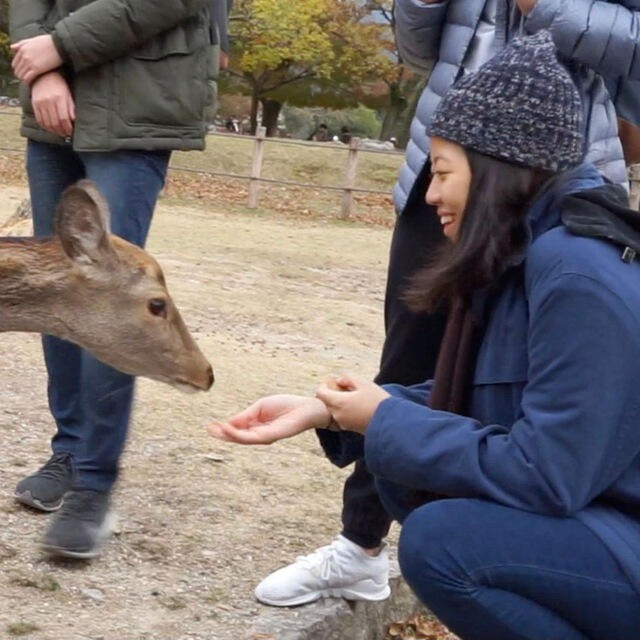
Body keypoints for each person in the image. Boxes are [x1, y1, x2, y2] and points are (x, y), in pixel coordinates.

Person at [209, 32, 640, 638]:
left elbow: (548, 475)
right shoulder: (532, 251)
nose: (431, 195)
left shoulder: (577, 273)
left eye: (441, 172)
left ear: (498, 168)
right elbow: (486, 400)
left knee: (446, 545)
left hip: (624, 530)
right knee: (405, 475)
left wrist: (382, 419)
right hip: (605, 517)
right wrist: (330, 412)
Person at [9, 0, 230, 559]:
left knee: (114, 294)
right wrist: (44, 69)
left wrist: (58, 48)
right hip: (52, 99)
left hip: (139, 100)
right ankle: (69, 447)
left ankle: (94, 482)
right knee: (54, 284)